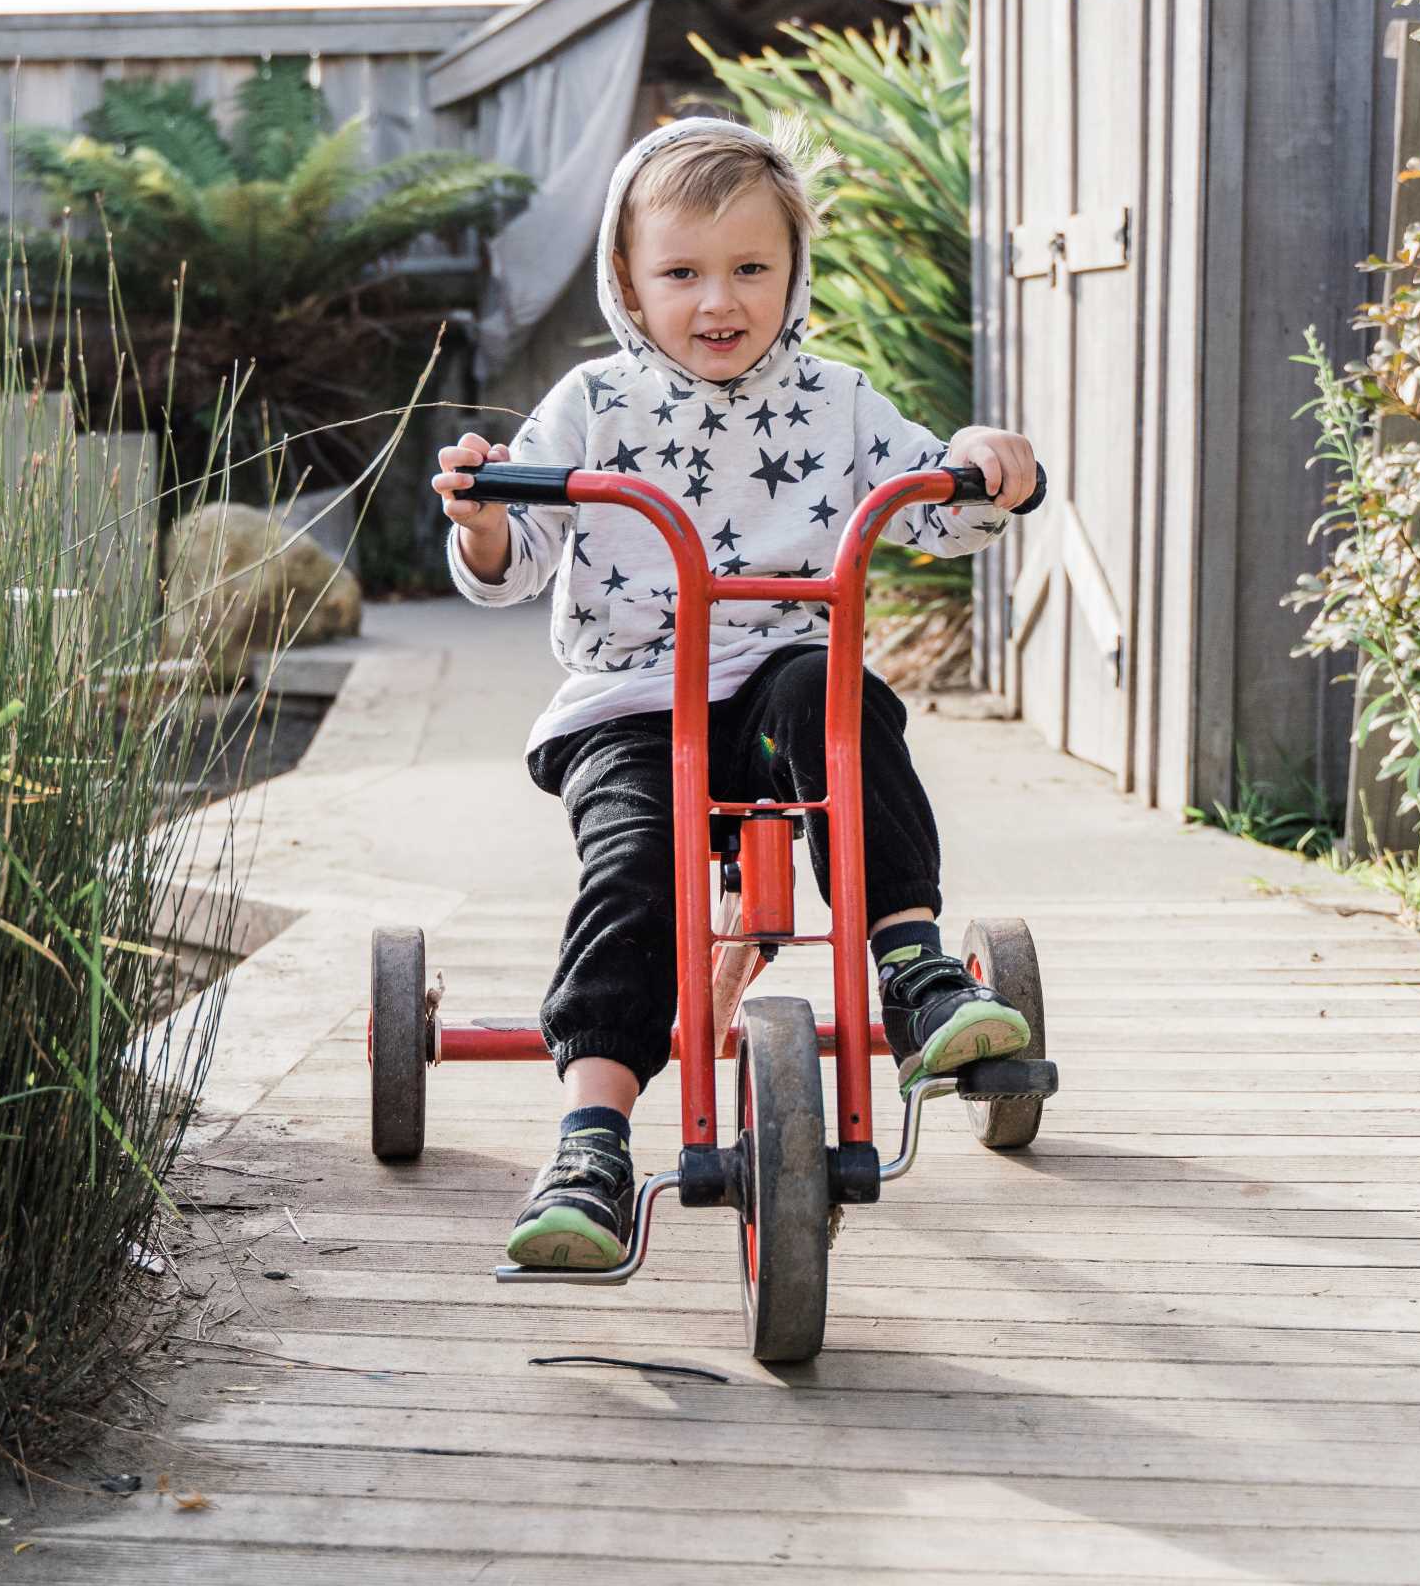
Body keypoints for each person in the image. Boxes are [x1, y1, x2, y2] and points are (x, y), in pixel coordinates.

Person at [433, 115, 1044, 1271]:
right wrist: (482, 520)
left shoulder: (836, 401)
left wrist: (981, 463)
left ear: (791, 272)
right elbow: (512, 565)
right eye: (681, 273)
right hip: (628, 704)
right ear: (627, 279)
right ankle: (591, 1138)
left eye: (749, 269)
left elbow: (931, 503)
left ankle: (910, 966)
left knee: (837, 690)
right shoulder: (590, 404)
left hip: (773, 697)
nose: (718, 301)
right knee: (633, 871)